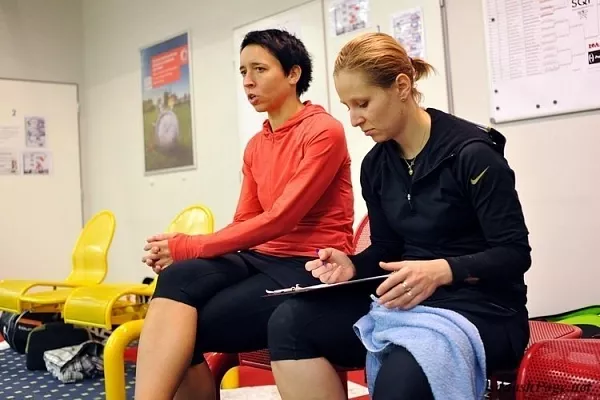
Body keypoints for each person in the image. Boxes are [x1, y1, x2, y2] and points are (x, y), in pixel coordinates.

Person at [269, 32, 531, 399]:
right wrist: (352, 266)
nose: (355, 119)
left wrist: (442, 270)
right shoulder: (376, 165)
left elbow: (515, 254)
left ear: (402, 87)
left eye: (363, 103)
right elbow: (387, 250)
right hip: (407, 301)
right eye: (347, 106)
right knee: (289, 321)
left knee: (403, 369)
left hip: (486, 309)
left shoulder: (473, 155)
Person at [134, 29, 355, 400]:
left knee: (184, 326)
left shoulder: (323, 132)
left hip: (309, 262)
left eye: (259, 69)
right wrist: (182, 252)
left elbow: (281, 218)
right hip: (259, 256)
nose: (248, 82)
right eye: (242, 72)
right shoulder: (256, 144)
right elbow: (246, 222)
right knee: (176, 281)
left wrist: (189, 244)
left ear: (293, 74)